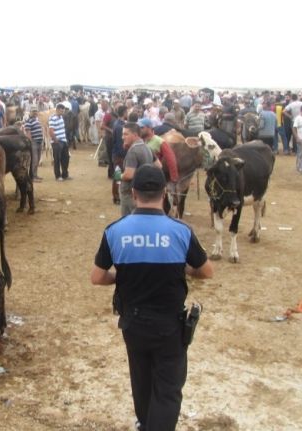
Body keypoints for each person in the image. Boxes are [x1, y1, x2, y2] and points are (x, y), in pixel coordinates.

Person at [90, 164, 214, 431]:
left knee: (142, 382)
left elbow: (97, 277)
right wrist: (181, 266)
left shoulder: (115, 231)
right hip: (170, 326)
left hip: (132, 323)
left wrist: (119, 277)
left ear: (133, 194)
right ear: (165, 193)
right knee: (168, 389)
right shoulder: (180, 231)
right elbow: (206, 271)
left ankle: (145, 424)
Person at [119, 122, 158, 216]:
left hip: (130, 193)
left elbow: (129, 175)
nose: (122, 137)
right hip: (143, 193)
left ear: (135, 135)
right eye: (122, 134)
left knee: (128, 222)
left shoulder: (133, 151)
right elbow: (159, 166)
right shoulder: (147, 147)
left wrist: (119, 175)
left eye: (125, 134)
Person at [49, 103, 71, 181]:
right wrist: (55, 140)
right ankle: (58, 176)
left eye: (63, 111)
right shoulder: (52, 118)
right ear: (57, 110)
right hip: (57, 142)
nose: (62, 112)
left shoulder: (61, 117)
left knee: (66, 158)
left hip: (63, 141)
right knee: (57, 160)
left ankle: (65, 174)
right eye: (61, 111)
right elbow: (51, 131)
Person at [24, 106, 44, 181]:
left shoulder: (36, 119)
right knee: (34, 160)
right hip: (34, 142)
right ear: (30, 112)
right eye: (33, 111)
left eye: (36, 111)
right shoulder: (28, 121)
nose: (35, 112)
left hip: (39, 141)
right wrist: (30, 142)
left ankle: (35, 175)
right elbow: (28, 133)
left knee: (38, 159)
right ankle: (33, 177)